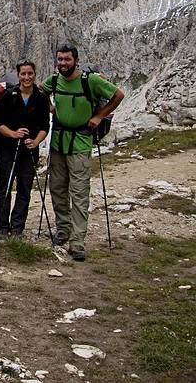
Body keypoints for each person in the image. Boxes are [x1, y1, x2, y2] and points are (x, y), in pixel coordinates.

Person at [42, 43, 124, 261]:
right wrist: (51, 109)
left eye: (67, 59)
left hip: (80, 142)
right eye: (60, 59)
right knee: (58, 188)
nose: (63, 63)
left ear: (75, 60)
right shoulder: (54, 80)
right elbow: (41, 90)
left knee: (79, 192)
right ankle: (63, 230)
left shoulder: (91, 81)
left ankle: (77, 241)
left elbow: (118, 94)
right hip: (58, 142)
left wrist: (100, 116)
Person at [0, 60, 49, 242]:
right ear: (18, 76)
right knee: (5, 187)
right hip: (7, 148)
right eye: (23, 74)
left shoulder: (41, 98)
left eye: (30, 74)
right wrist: (13, 134)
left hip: (29, 149)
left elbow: (44, 126)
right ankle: (2, 227)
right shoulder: (9, 96)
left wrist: (36, 141)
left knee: (24, 187)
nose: (27, 77)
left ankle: (17, 227)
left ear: (34, 75)